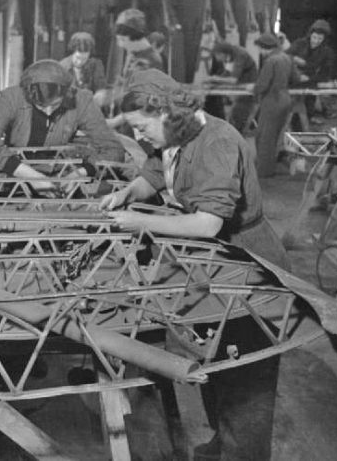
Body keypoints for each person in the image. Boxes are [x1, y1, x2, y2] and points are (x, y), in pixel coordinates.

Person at [99, 68, 288, 461]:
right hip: (211, 261)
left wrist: (139, 221)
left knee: (246, 368)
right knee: (215, 356)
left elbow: (207, 223)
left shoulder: (217, 142)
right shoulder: (175, 136)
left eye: (140, 127)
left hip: (247, 262)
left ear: (166, 113)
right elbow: (153, 177)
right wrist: (126, 193)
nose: (137, 137)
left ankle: (245, 453)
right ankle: (223, 439)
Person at [0, 59, 125, 192]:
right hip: (14, 175)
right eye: (41, 106)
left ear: (67, 94)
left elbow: (113, 150)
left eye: (55, 105)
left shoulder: (81, 100)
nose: (48, 112)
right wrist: (33, 177)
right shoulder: (11, 98)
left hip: (60, 175)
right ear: (27, 94)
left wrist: (81, 173)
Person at [253, 33, 301, 177]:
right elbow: (296, 78)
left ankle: (263, 172)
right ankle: (267, 167)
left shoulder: (271, 61)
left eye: (260, 49)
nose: (260, 52)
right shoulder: (287, 58)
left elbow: (262, 84)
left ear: (266, 48)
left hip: (272, 100)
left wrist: (254, 91)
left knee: (265, 137)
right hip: (285, 98)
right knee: (274, 136)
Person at [287, 19, 336, 120]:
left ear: (324, 39)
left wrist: (309, 78)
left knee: (308, 108)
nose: (316, 41)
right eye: (314, 37)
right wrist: (294, 59)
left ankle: (307, 119)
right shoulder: (299, 43)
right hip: (292, 77)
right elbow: (285, 56)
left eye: (320, 39)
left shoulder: (327, 52)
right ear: (310, 35)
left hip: (311, 80)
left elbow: (325, 73)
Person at [207, 41, 259, 133]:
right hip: (241, 86)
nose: (217, 59)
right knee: (233, 115)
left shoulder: (240, 55)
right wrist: (215, 81)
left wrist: (216, 79)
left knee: (237, 115)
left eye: (217, 56)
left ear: (222, 53)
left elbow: (232, 80)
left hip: (247, 87)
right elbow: (228, 73)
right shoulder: (231, 54)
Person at [59, 31, 108, 106]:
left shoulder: (96, 65)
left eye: (84, 58)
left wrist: (99, 95)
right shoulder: (62, 66)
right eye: (77, 57)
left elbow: (100, 87)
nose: (79, 62)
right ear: (73, 52)